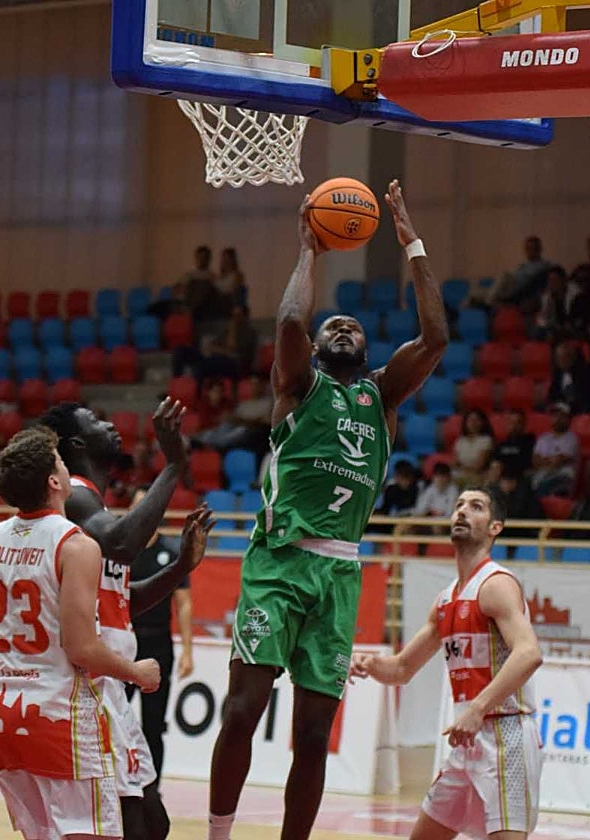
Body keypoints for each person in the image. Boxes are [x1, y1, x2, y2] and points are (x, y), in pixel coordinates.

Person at [208, 179, 449, 840]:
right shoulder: (297, 385)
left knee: (313, 733)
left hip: (340, 574)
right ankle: (218, 834)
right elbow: (289, 321)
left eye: (352, 326)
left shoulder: (383, 396)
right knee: (240, 710)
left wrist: (411, 243)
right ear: (316, 349)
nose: (340, 325)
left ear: (367, 353)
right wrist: (308, 250)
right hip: (279, 560)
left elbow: (435, 335)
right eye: (330, 325)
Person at [38, 399, 200, 840]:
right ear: (76, 443)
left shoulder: (95, 504)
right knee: (130, 825)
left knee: (154, 822)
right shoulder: (73, 494)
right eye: (96, 420)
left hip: (110, 686)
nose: (111, 423)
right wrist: (174, 467)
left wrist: (181, 567)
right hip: (87, 687)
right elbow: (124, 543)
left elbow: (123, 600)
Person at [350, 487, 544, 840]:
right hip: (466, 743)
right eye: (457, 505)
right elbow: (401, 669)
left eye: (475, 506)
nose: (462, 512)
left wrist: (478, 708)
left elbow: (529, 653)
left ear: (495, 527)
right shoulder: (446, 599)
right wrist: (367, 663)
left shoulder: (497, 584)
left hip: (505, 737)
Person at [124, 488, 199, 787]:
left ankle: (151, 790)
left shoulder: (172, 553)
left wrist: (188, 652)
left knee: (153, 726)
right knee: (111, 719)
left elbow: (184, 603)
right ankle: (113, 783)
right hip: (123, 645)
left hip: (158, 646)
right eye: (135, 507)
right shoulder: (120, 551)